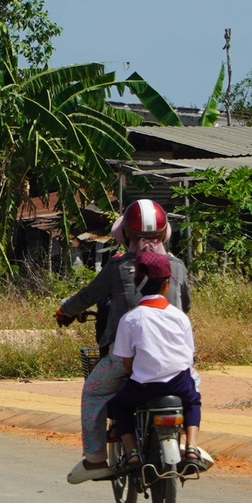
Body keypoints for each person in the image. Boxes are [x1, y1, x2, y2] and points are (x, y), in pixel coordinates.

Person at [57, 199, 192, 483]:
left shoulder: (118, 267)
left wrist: (65, 311)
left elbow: (88, 296)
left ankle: (95, 459)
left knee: (93, 392)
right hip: (174, 359)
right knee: (193, 393)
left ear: (125, 234)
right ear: (165, 231)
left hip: (126, 359)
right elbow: (187, 306)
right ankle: (187, 446)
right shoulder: (176, 266)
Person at [102, 250, 215, 472]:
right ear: (166, 285)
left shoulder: (130, 319)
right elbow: (188, 355)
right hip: (179, 382)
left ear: (137, 285)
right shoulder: (179, 317)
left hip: (144, 385)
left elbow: (126, 362)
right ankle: (191, 448)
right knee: (193, 402)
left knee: (119, 405)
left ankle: (133, 455)